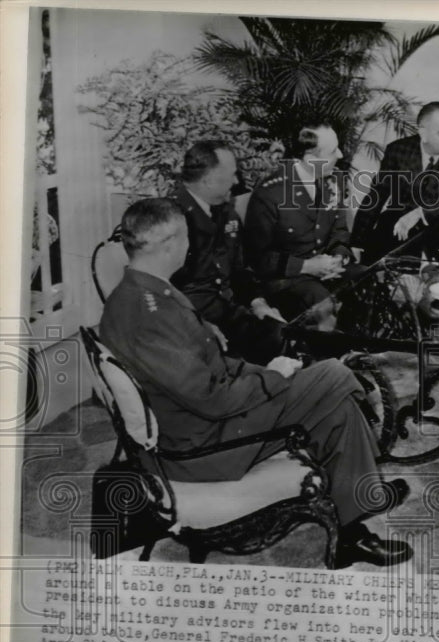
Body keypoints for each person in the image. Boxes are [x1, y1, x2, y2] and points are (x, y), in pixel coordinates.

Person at [100, 197, 412, 567]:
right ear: (169, 243)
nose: (190, 245)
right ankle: (363, 497)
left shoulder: (142, 292)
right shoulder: (149, 312)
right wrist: (274, 379)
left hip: (201, 422)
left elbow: (204, 372)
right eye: (186, 238)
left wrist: (264, 372)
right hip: (204, 443)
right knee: (336, 375)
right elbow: (212, 398)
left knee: (336, 404)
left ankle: (356, 521)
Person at [168, 140, 285, 365]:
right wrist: (200, 328)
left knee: (281, 334)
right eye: (231, 174)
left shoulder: (227, 214)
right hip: (194, 324)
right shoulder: (171, 218)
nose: (236, 181)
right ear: (209, 179)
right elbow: (163, 291)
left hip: (229, 314)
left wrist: (259, 303)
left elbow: (240, 271)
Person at [244, 124, 358, 319]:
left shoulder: (332, 182)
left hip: (328, 271)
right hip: (286, 280)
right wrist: (306, 266)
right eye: (333, 151)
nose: (340, 155)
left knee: (369, 283)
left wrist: (338, 257)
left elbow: (339, 231)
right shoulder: (271, 193)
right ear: (312, 159)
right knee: (322, 303)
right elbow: (256, 258)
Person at [350, 101, 439, 264]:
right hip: (399, 229)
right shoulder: (397, 151)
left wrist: (421, 212)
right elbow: (377, 196)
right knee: (372, 268)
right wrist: (357, 242)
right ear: (423, 133)